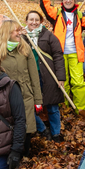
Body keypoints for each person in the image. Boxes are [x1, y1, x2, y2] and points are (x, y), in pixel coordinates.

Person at [40, 0, 85, 111]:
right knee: (61, 81)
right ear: (62, 0)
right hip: (59, 54)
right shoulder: (57, 14)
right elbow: (45, 5)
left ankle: (80, 110)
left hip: (76, 53)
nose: (68, 0)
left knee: (78, 82)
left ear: (75, 1)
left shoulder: (80, 16)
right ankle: (63, 107)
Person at [0, 19, 43, 137]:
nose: (20, 33)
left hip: (25, 97)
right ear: (7, 32)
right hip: (4, 99)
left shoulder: (25, 49)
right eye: (17, 31)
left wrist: (38, 100)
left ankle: (24, 154)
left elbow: (34, 76)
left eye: (20, 30)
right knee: (7, 132)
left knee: (26, 132)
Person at [24, 9, 67, 141]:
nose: (34, 22)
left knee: (52, 105)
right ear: (26, 21)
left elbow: (58, 56)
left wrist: (60, 77)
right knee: (28, 106)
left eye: (37, 20)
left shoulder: (48, 36)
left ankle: (56, 133)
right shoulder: (22, 37)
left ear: (41, 21)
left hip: (48, 76)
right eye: (31, 19)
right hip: (30, 77)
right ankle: (43, 129)